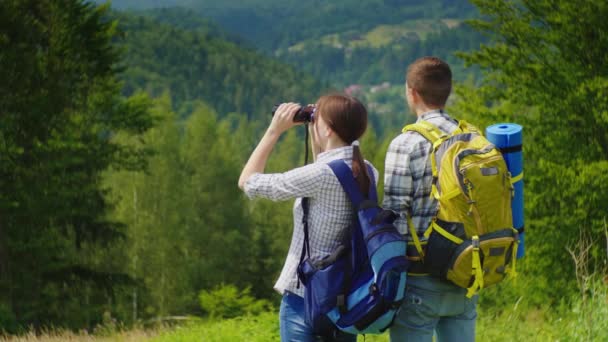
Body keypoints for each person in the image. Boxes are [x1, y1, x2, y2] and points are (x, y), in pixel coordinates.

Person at [238, 93, 377, 342]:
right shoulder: (367, 170)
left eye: (317, 119)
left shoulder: (320, 175)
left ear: (329, 130)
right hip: (348, 294)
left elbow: (248, 182)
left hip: (305, 295)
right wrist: (319, 138)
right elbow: (329, 174)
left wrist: (273, 131)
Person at [383, 56, 478, 342]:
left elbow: (394, 216)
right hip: (464, 271)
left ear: (412, 93)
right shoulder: (472, 138)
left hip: (420, 279)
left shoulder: (406, 143)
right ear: (447, 91)